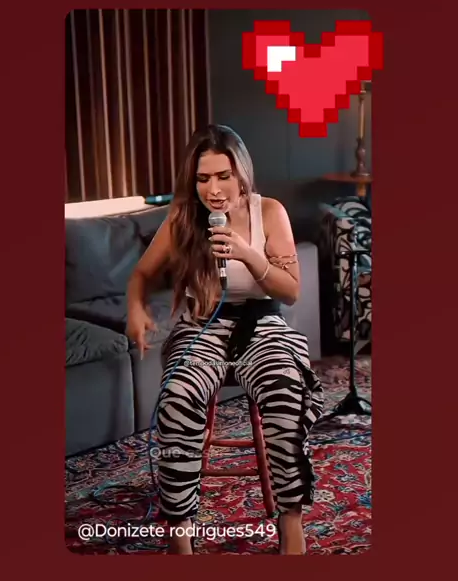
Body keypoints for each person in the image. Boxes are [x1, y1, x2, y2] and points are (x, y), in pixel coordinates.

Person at [126, 124, 324, 554]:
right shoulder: (183, 219)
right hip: (201, 326)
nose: (213, 190)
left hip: (262, 323)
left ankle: (291, 522)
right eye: (203, 179)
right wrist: (135, 309)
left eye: (223, 176)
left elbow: (291, 291)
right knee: (177, 398)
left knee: (286, 391)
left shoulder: (268, 212)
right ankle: (180, 533)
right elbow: (141, 274)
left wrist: (249, 255)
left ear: (242, 173)